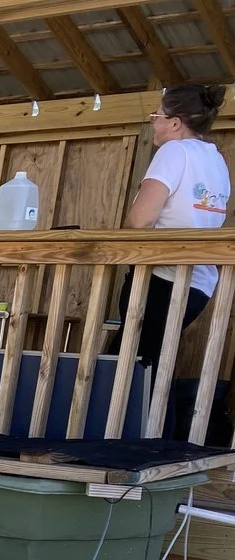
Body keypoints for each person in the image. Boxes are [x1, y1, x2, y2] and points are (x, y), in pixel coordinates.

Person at [120, 83, 231, 441]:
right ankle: (155, 440)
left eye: (158, 116)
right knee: (156, 361)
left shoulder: (174, 152)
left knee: (136, 366)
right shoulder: (215, 159)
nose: (154, 122)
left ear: (176, 122)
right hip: (199, 282)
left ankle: (142, 443)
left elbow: (140, 220)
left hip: (163, 276)